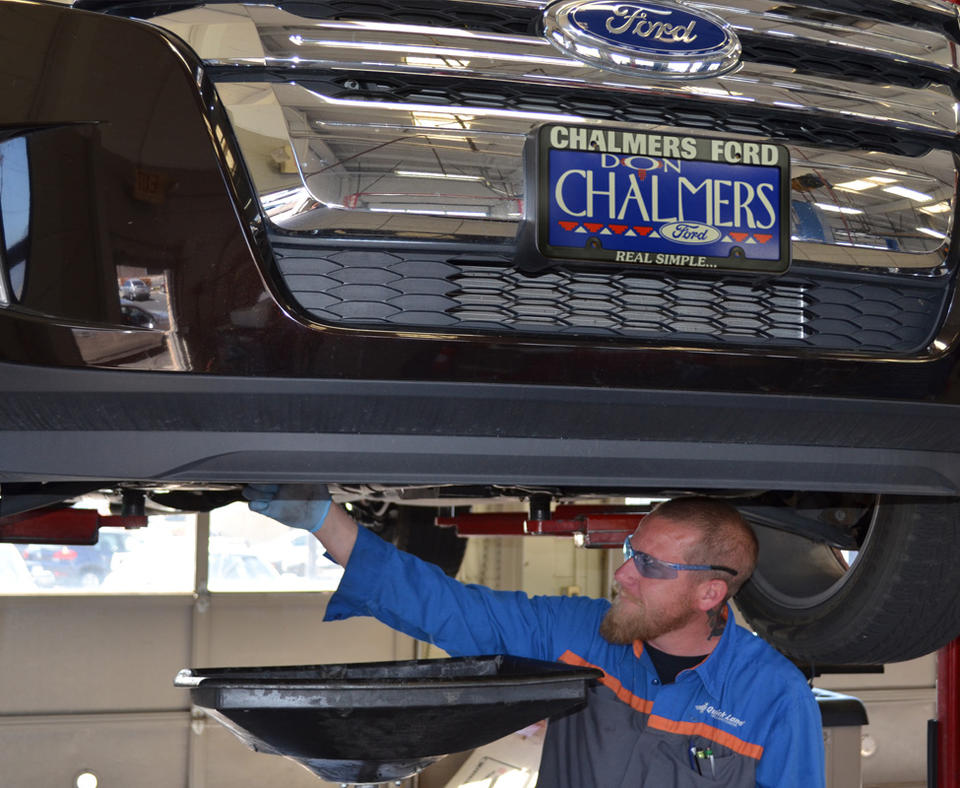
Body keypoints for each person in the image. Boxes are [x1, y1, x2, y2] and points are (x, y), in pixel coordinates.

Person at [245, 484, 825, 788]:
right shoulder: (581, 636)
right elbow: (450, 610)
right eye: (629, 554)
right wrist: (325, 519)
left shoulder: (772, 697)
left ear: (709, 595)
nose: (621, 575)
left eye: (649, 566)